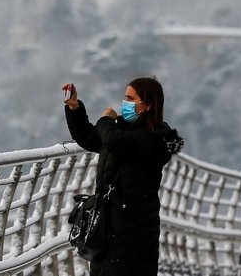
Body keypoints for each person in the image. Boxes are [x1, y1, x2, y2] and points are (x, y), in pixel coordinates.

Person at [62, 77, 184, 276]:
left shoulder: (155, 140)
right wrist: (74, 108)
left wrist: (105, 120)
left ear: (147, 105)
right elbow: (91, 138)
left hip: (134, 234)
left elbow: (114, 141)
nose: (125, 103)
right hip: (108, 230)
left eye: (130, 98)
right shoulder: (124, 132)